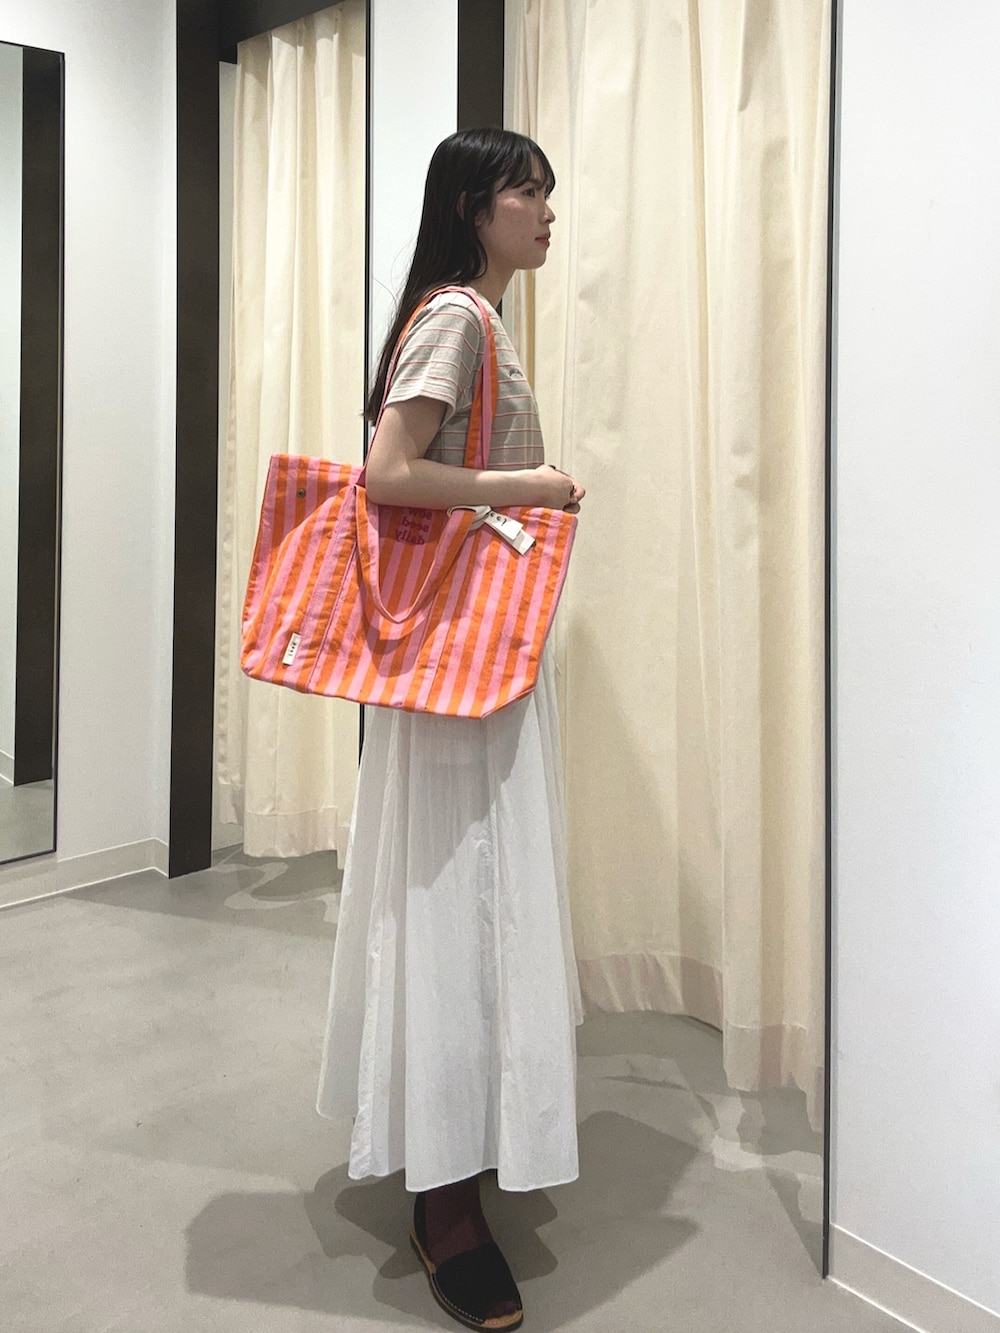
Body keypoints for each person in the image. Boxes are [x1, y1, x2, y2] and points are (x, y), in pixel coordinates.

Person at [316, 127, 585, 1332]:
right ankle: (444, 1196)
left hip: (475, 665)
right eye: (528, 191)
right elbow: (387, 470)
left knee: (474, 902)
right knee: (453, 903)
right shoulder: (457, 319)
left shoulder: (474, 317)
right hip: (455, 674)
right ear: (475, 205)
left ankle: (454, 1144)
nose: (546, 211)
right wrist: (530, 486)